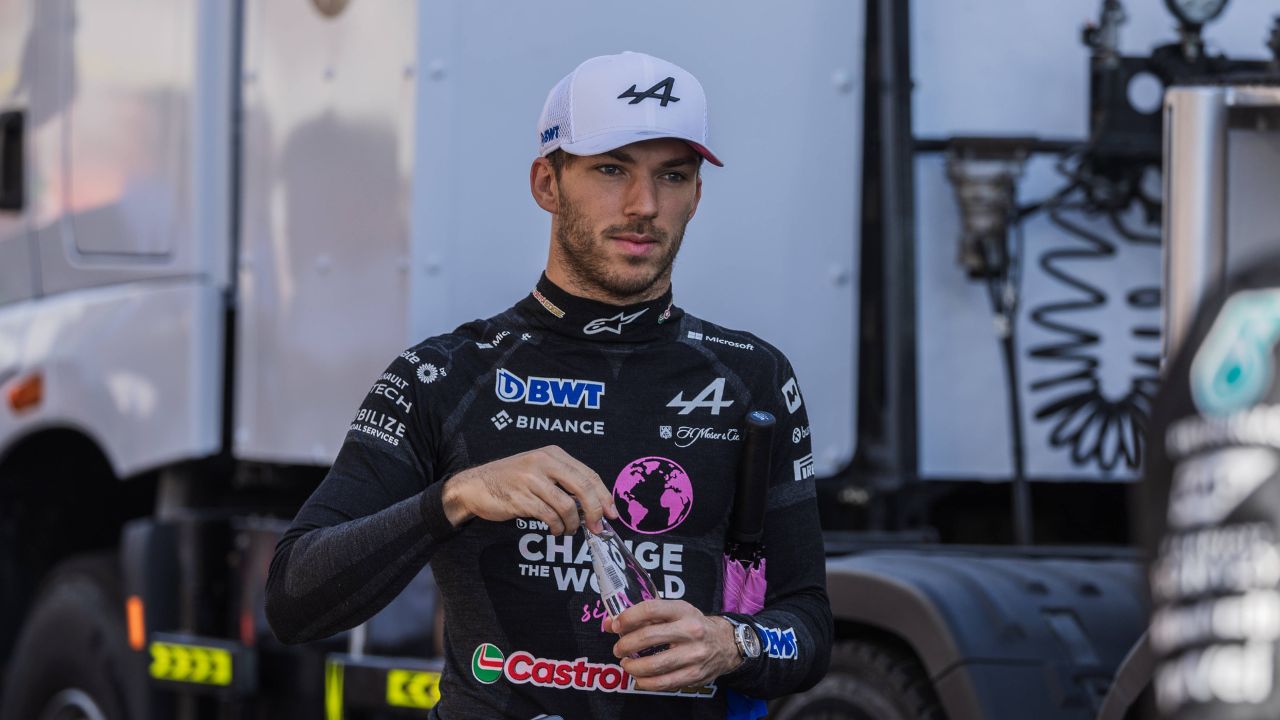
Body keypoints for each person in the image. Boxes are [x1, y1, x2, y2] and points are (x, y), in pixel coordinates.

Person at [265, 50, 832, 719]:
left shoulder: (753, 378)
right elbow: (293, 600)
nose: (644, 205)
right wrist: (454, 496)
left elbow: (810, 626)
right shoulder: (445, 375)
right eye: (611, 169)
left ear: (697, 195)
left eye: (672, 175)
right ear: (547, 184)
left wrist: (731, 642)